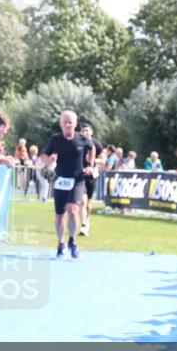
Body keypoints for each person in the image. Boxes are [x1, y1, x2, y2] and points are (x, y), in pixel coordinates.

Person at [39, 110, 94, 259]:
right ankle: (60, 243)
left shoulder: (82, 139)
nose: (68, 125)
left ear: (75, 124)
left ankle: (73, 241)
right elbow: (44, 155)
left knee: (73, 209)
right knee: (59, 215)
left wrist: (90, 164)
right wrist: (48, 160)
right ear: (61, 124)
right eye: (65, 122)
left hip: (77, 180)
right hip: (61, 180)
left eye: (71, 122)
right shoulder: (55, 140)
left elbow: (92, 148)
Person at [77, 124, 104, 236]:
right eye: (83, 131)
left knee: (88, 202)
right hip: (80, 174)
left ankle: (87, 220)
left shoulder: (96, 144)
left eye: (87, 131)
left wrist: (91, 162)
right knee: (82, 201)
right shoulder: (77, 142)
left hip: (92, 175)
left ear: (91, 132)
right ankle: (83, 225)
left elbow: (103, 160)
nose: (86, 133)